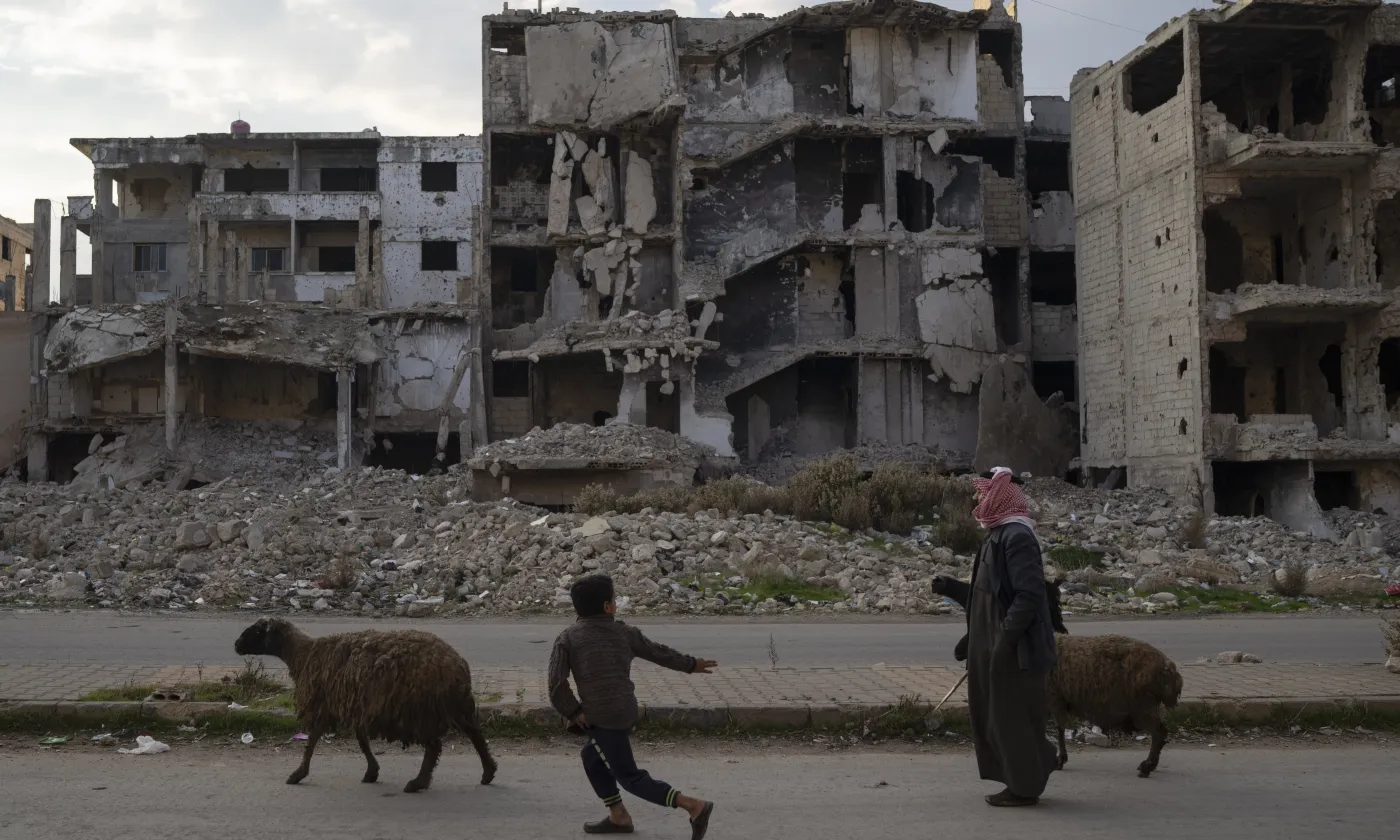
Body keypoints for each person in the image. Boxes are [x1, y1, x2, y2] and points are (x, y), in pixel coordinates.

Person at [549, 574, 718, 837]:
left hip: (601, 718)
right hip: (626, 711)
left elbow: (556, 685)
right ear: (607, 607)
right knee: (592, 758)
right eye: (615, 598)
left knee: (630, 777)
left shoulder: (567, 638)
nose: (616, 603)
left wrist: (573, 711)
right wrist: (691, 664)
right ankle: (619, 816)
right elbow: (658, 652)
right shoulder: (625, 633)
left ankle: (693, 806)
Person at [932, 467, 1060, 807]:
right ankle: (1028, 771)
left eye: (981, 491)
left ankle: (1026, 787)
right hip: (993, 648)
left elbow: (1029, 596)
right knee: (995, 718)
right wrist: (955, 592)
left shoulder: (1016, 537)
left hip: (1016, 652)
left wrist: (1004, 642)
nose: (976, 498)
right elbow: (987, 595)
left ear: (998, 495)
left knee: (1012, 721)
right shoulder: (997, 535)